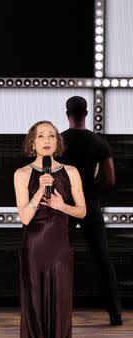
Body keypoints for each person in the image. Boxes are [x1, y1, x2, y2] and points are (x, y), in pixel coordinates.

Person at [13, 120, 86, 338]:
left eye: (51, 135)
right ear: (32, 142)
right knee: (35, 309)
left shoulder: (71, 172)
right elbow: (25, 216)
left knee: (60, 310)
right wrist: (37, 191)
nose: (46, 140)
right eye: (41, 135)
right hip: (34, 247)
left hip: (61, 248)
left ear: (58, 142)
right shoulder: (22, 174)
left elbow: (82, 212)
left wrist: (61, 205)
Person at [60, 96, 122, 326]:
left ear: (67, 114)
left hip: (64, 205)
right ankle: (115, 313)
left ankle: (54, 313)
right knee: (102, 258)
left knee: (57, 258)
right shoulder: (99, 143)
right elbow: (110, 179)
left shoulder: (59, 142)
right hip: (89, 204)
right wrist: (91, 190)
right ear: (86, 113)